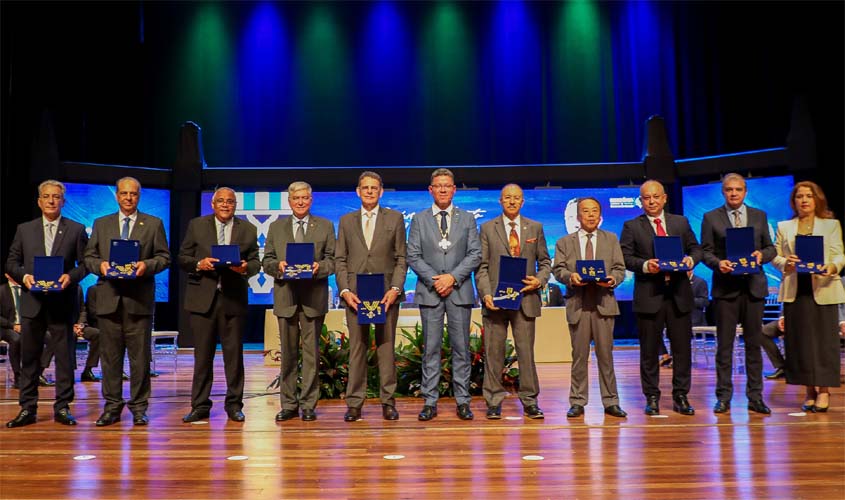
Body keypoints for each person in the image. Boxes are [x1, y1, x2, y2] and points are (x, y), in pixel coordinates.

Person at [84, 176, 170, 426]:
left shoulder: (153, 224)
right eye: (124, 193)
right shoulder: (101, 223)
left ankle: (139, 407)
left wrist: (146, 265)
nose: (128, 198)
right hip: (108, 299)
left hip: (139, 301)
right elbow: (88, 257)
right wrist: (100, 265)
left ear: (139, 196)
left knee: (139, 359)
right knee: (110, 358)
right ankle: (112, 407)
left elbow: (164, 257)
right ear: (117, 195)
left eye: (133, 194)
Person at [5, 180, 89, 428]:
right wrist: (24, 277)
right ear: (39, 201)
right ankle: (27, 409)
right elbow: (11, 263)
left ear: (63, 201)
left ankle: (62, 407)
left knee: (64, 359)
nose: (51, 201)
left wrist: (70, 277)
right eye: (46, 196)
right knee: (29, 359)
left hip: (62, 303)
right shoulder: (24, 229)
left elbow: (86, 264)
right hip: (33, 302)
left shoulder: (76, 229)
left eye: (56, 197)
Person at [620, 179, 702, 416]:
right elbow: (625, 257)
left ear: (664, 198)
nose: (652, 201)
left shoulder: (680, 222)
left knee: (682, 350)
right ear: (641, 201)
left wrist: (690, 260)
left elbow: (696, 249)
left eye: (656, 196)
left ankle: (681, 396)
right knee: (649, 351)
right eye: (646, 198)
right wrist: (646, 265)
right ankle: (652, 397)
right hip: (649, 295)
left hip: (678, 295)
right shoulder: (631, 226)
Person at [178, 187, 260, 423]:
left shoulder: (248, 229)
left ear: (235, 205)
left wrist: (245, 268)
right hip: (202, 300)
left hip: (233, 300)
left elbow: (256, 262)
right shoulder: (196, 225)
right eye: (221, 201)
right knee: (202, 357)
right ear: (212, 204)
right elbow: (183, 258)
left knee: (234, 358)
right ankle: (200, 405)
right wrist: (199, 264)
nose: (225, 204)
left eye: (230, 201)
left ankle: (234, 405)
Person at [407, 168, 481, 421]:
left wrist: (452, 277)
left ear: (454, 190)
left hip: (459, 290)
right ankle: (430, 401)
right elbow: (413, 255)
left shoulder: (467, 218)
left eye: (447, 185)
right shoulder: (419, 219)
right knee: (431, 349)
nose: (442, 189)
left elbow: (475, 254)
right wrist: (435, 280)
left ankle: (463, 401)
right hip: (430, 292)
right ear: (430, 190)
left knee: (461, 348)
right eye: (438, 186)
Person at [700, 173, 775, 414]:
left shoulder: (759, 216)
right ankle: (723, 397)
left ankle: (755, 397)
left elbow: (771, 248)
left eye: (738, 189)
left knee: (754, 345)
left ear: (745, 192)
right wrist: (718, 263)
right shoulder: (711, 217)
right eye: (729, 189)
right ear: (723, 192)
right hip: (726, 289)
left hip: (753, 288)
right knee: (724, 347)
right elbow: (705, 252)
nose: (733, 193)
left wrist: (762, 255)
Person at [335, 172, 407, 422]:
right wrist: (345, 291)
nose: (369, 192)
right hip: (355, 296)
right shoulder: (346, 221)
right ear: (358, 191)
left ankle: (388, 402)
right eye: (365, 188)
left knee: (386, 349)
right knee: (357, 349)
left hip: (386, 295)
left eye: (374, 188)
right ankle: (354, 404)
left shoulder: (395, 218)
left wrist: (395, 289)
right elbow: (340, 259)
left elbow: (401, 258)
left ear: (381, 191)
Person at [476, 184, 551, 420]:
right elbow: (481, 266)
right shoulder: (487, 228)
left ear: (522, 202)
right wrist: (486, 294)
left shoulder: (535, 227)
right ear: (500, 201)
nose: (512, 201)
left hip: (525, 300)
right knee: (494, 354)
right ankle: (493, 401)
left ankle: (530, 401)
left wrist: (539, 280)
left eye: (516, 198)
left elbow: (545, 262)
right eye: (507, 198)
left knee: (526, 353)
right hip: (496, 302)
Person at [263, 181, 335, 422]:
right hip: (286, 297)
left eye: (305, 198)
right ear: (289, 201)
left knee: (311, 355)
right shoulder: (276, 227)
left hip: (313, 298)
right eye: (296, 198)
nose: (301, 202)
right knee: (288, 355)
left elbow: (333, 260)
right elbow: (267, 261)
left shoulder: (325, 226)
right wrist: (279, 266)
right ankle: (288, 404)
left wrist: (319, 267)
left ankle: (308, 405)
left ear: (311, 200)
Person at [771, 180, 844, 413]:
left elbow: (839, 255)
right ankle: (809, 390)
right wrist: (786, 263)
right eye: (799, 196)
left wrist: (831, 267)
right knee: (800, 343)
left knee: (824, 343)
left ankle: (824, 390)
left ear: (817, 199)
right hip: (796, 289)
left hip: (824, 288)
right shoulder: (784, 226)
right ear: (794, 201)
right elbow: (775, 256)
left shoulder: (831, 225)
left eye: (808, 196)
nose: (804, 200)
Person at [553, 197, 628, 419]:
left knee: (606, 356)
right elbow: (558, 270)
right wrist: (571, 277)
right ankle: (577, 401)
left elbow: (620, 269)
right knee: (579, 356)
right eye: (586, 211)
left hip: (604, 303)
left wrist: (612, 279)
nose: (591, 215)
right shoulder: (564, 242)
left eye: (594, 211)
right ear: (578, 216)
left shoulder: (611, 239)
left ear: (600, 215)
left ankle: (611, 401)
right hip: (578, 304)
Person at [657, 270, 709, 367]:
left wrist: (687, 299)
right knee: (654, 327)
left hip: (693, 317)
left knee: (677, 329)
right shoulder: (674, 281)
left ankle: (676, 358)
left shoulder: (700, 282)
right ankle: (665, 355)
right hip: (674, 313)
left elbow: (705, 301)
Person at [74, 284, 102, 382]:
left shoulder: (78, 287)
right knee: (68, 335)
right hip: (62, 326)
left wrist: (80, 324)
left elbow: (83, 309)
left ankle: (88, 370)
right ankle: (68, 371)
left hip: (79, 325)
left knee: (97, 334)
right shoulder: (55, 288)